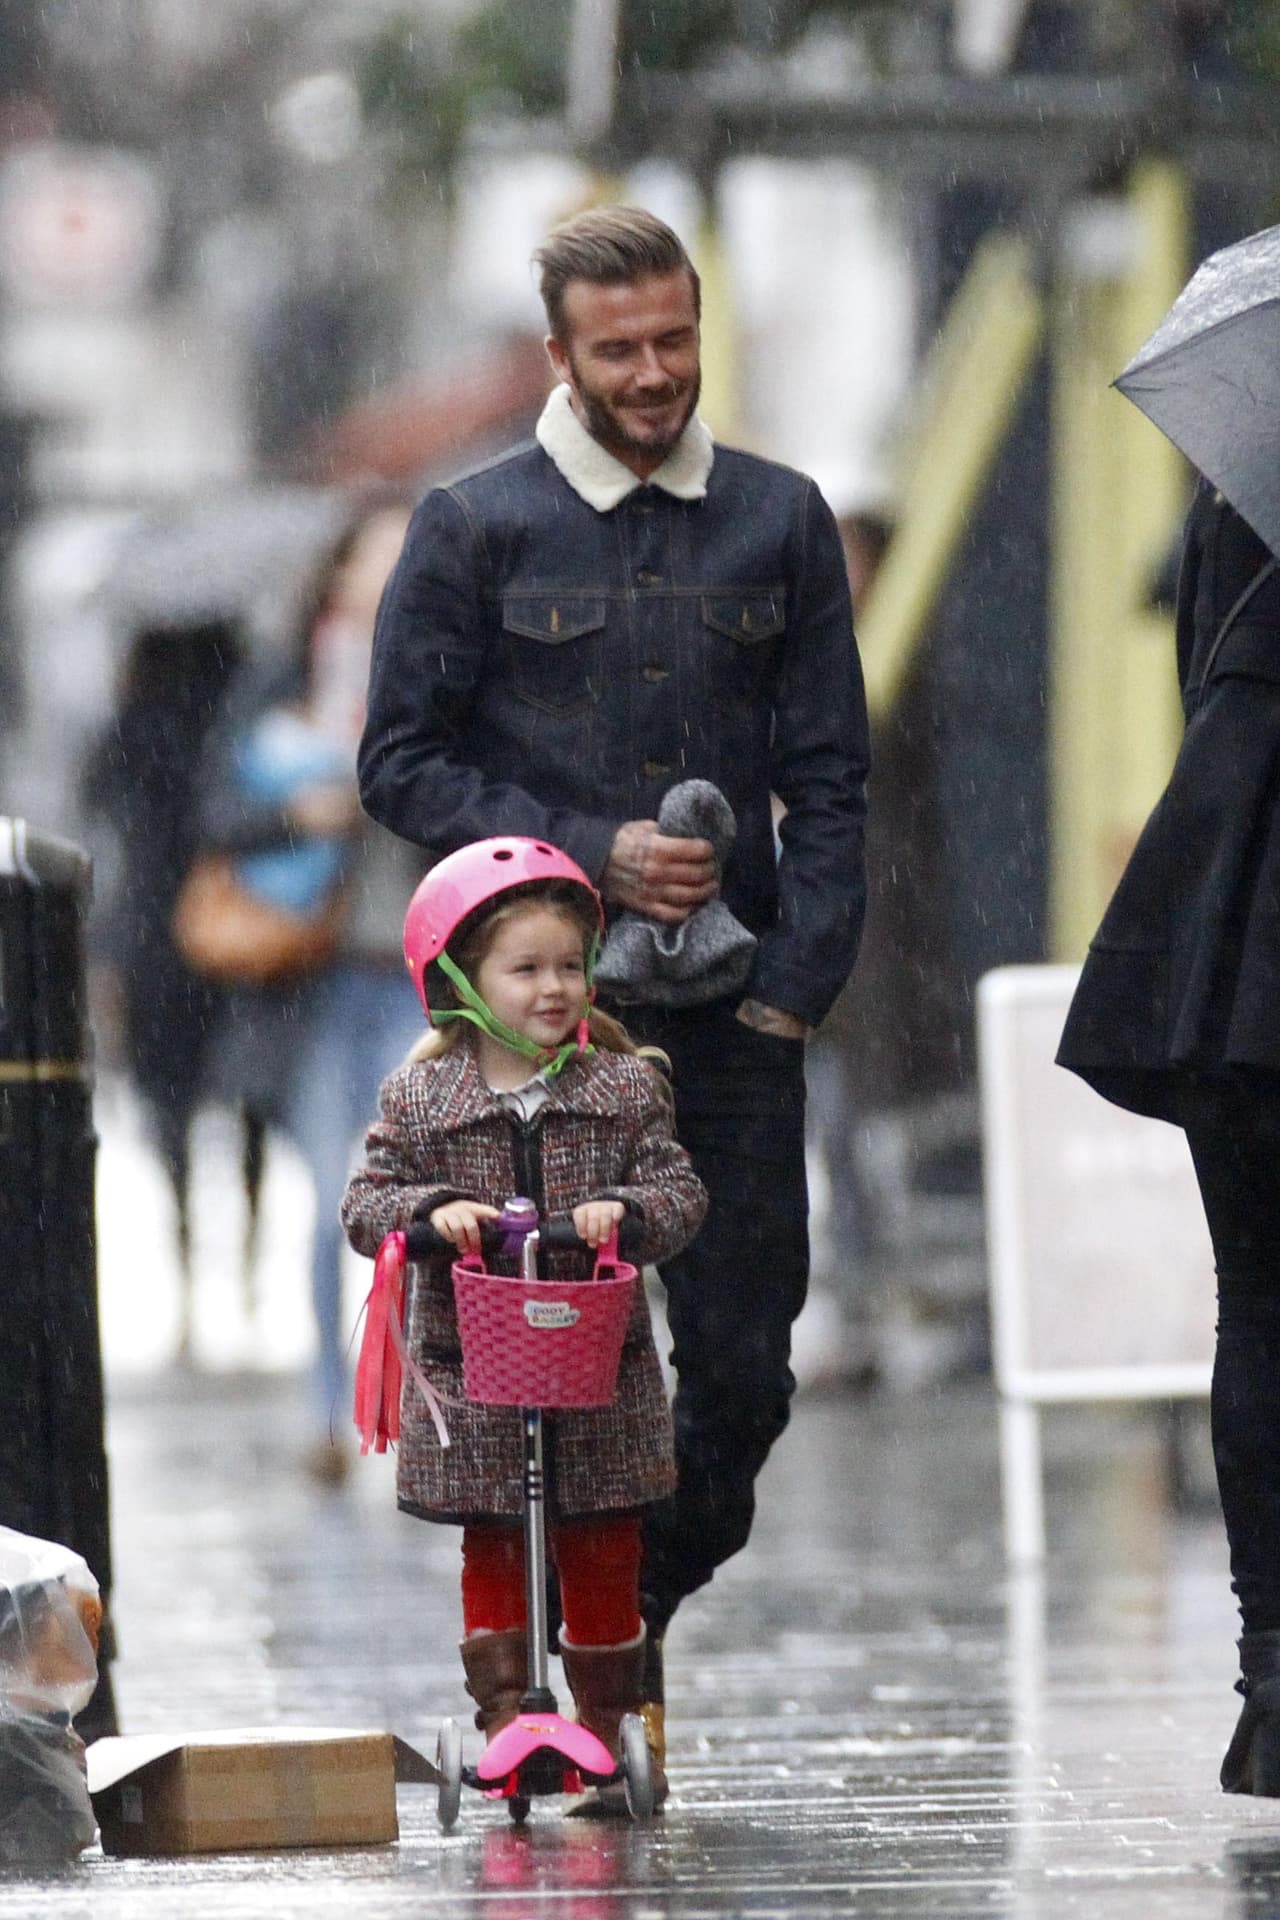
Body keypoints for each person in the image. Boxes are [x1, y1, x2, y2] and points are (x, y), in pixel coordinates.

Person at [357, 205, 870, 1745]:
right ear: (560, 354)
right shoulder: (473, 527)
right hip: (531, 1038)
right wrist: (588, 847)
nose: (654, 375)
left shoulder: (781, 520)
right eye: (620, 349)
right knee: (535, 1391)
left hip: (730, 1030)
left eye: (675, 341)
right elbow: (399, 761)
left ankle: (620, 1619)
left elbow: (835, 782)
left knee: (744, 1374)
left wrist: (792, 987)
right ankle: (577, 1675)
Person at [340, 837, 707, 1811]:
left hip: (597, 1369)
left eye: (570, 967)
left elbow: (678, 1192)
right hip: (476, 1373)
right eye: (526, 968)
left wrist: (623, 1214)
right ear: (459, 978)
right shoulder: (421, 1099)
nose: (554, 988)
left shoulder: (622, 1090)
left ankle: (601, 1723)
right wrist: (427, 1214)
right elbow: (364, 1203)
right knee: (494, 1539)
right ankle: (506, 1718)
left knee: (601, 1543)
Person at [1057, 480, 1280, 1796]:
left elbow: (1204, 688)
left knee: (1258, 1300)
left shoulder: (1235, 490)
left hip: (1232, 938)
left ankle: (1272, 1681)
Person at [195, 501, 424, 1455]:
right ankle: (332, 1409)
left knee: (423, 1200)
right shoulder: (283, 685)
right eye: (376, 557)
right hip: (317, 978)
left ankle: (422, 1405)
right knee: (338, 1192)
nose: (389, 577)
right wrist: (304, 810)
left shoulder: (444, 677)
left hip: (420, 976)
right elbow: (215, 816)